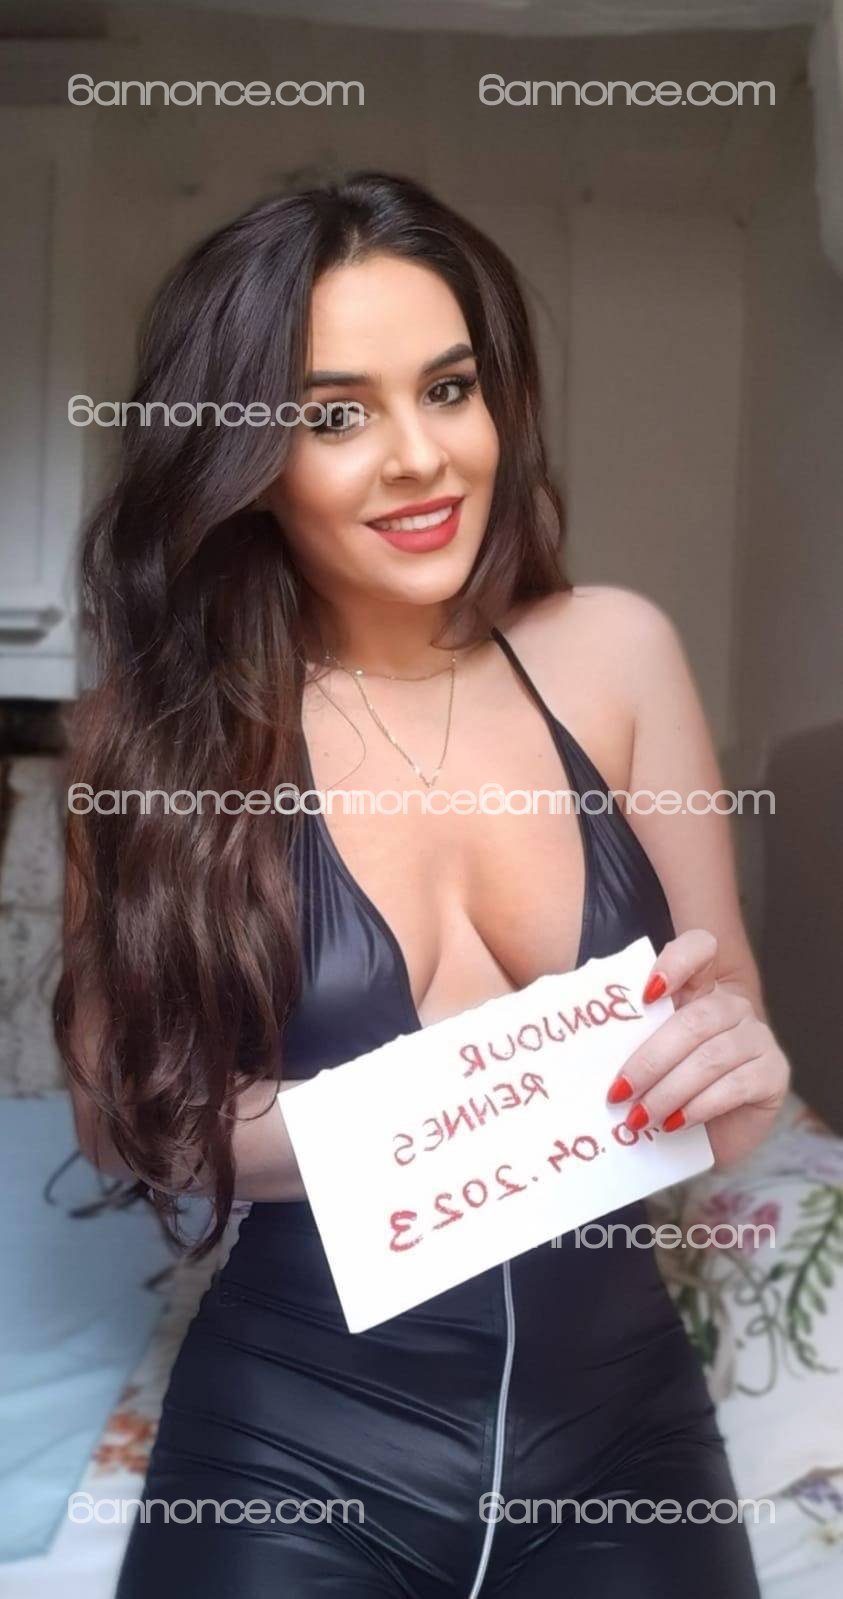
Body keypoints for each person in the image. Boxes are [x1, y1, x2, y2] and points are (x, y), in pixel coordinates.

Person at [55, 172, 789, 1597]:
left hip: (623, 1430)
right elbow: (124, 1120)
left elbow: (728, 1025)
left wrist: (735, 1086)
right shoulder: (149, 738)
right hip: (293, 1436)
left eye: (448, 390)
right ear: (244, 456)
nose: (419, 457)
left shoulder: (617, 654)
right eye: (335, 416)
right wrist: (467, 1109)